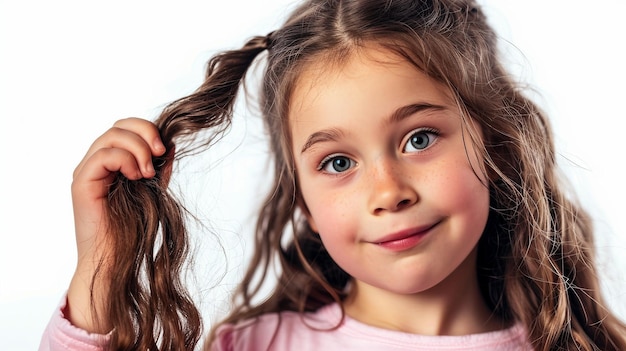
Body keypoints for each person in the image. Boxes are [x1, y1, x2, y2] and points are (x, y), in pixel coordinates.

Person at [39, 0, 626, 350]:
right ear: (302, 200)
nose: (389, 193)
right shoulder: (258, 347)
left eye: (419, 139)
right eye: (338, 163)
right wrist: (103, 266)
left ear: (496, 142)